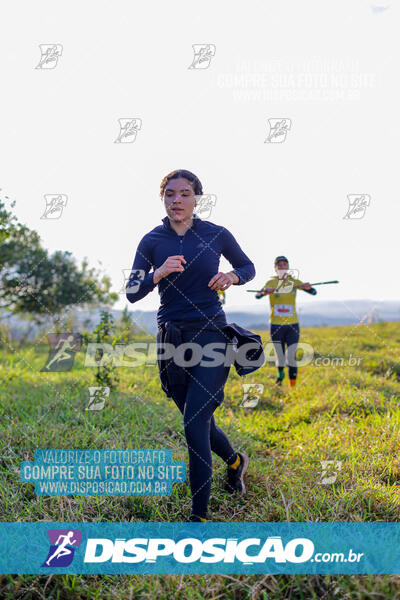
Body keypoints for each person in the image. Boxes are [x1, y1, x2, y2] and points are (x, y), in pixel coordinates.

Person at [126, 169, 257, 522]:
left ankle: (198, 517)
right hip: (172, 339)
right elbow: (132, 292)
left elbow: (248, 267)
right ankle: (235, 461)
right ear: (162, 198)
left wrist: (232, 276)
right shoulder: (151, 241)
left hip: (212, 334)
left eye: (184, 194)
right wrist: (158, 273)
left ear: (197, 197)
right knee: (197, 420)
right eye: (170, 194)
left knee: (193, 421)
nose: (176, 200)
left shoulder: (215, 234)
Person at [256, 256, 316, 388]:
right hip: (276, 326)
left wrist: (308, 287)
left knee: (291, 357)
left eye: (284, 264)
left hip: (292, 325)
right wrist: (265, 292)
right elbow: (257, 295)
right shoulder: (270, 283)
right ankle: (280, 376)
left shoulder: (293, 281)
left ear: (288, 266)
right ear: (275, 268)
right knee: (281, 357)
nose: (282, 267)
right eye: (279, 265)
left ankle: (292, 387)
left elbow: (313, 292)